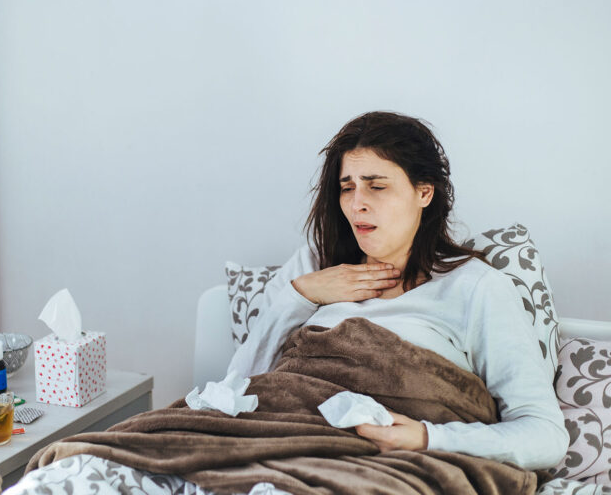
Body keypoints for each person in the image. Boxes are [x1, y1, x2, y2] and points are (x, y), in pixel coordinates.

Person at [227, 111, 569, 470]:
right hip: (274, 440)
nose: (357, 202)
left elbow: (544, 436)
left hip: (380, 466)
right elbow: (235, 392)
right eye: (347, 187)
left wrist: (426, 437)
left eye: (376, 186)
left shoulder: (475, 287)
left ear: (424, 192)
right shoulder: (311, 267)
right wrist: (300, 296)